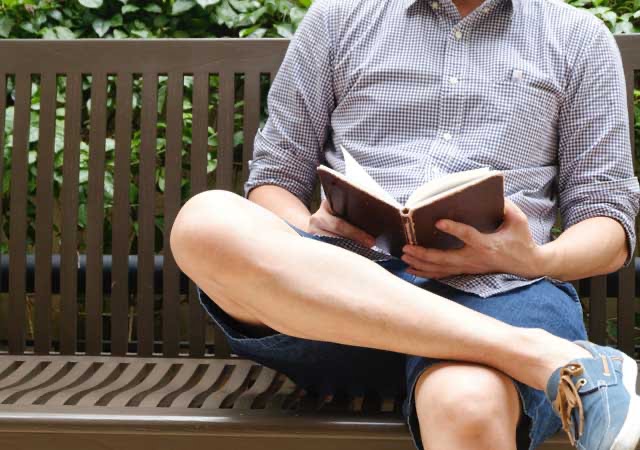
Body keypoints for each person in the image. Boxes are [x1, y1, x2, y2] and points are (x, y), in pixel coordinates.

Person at [169, 0, 640, 448]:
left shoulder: (576, 37)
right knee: (204, 221)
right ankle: (550, 358)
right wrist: (308, 228)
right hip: (335, 303)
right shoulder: (339, 16)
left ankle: (529, 352)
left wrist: (535, 257)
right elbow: (274, 180)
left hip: (499, 294)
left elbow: (609, 222)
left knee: (467, 403)